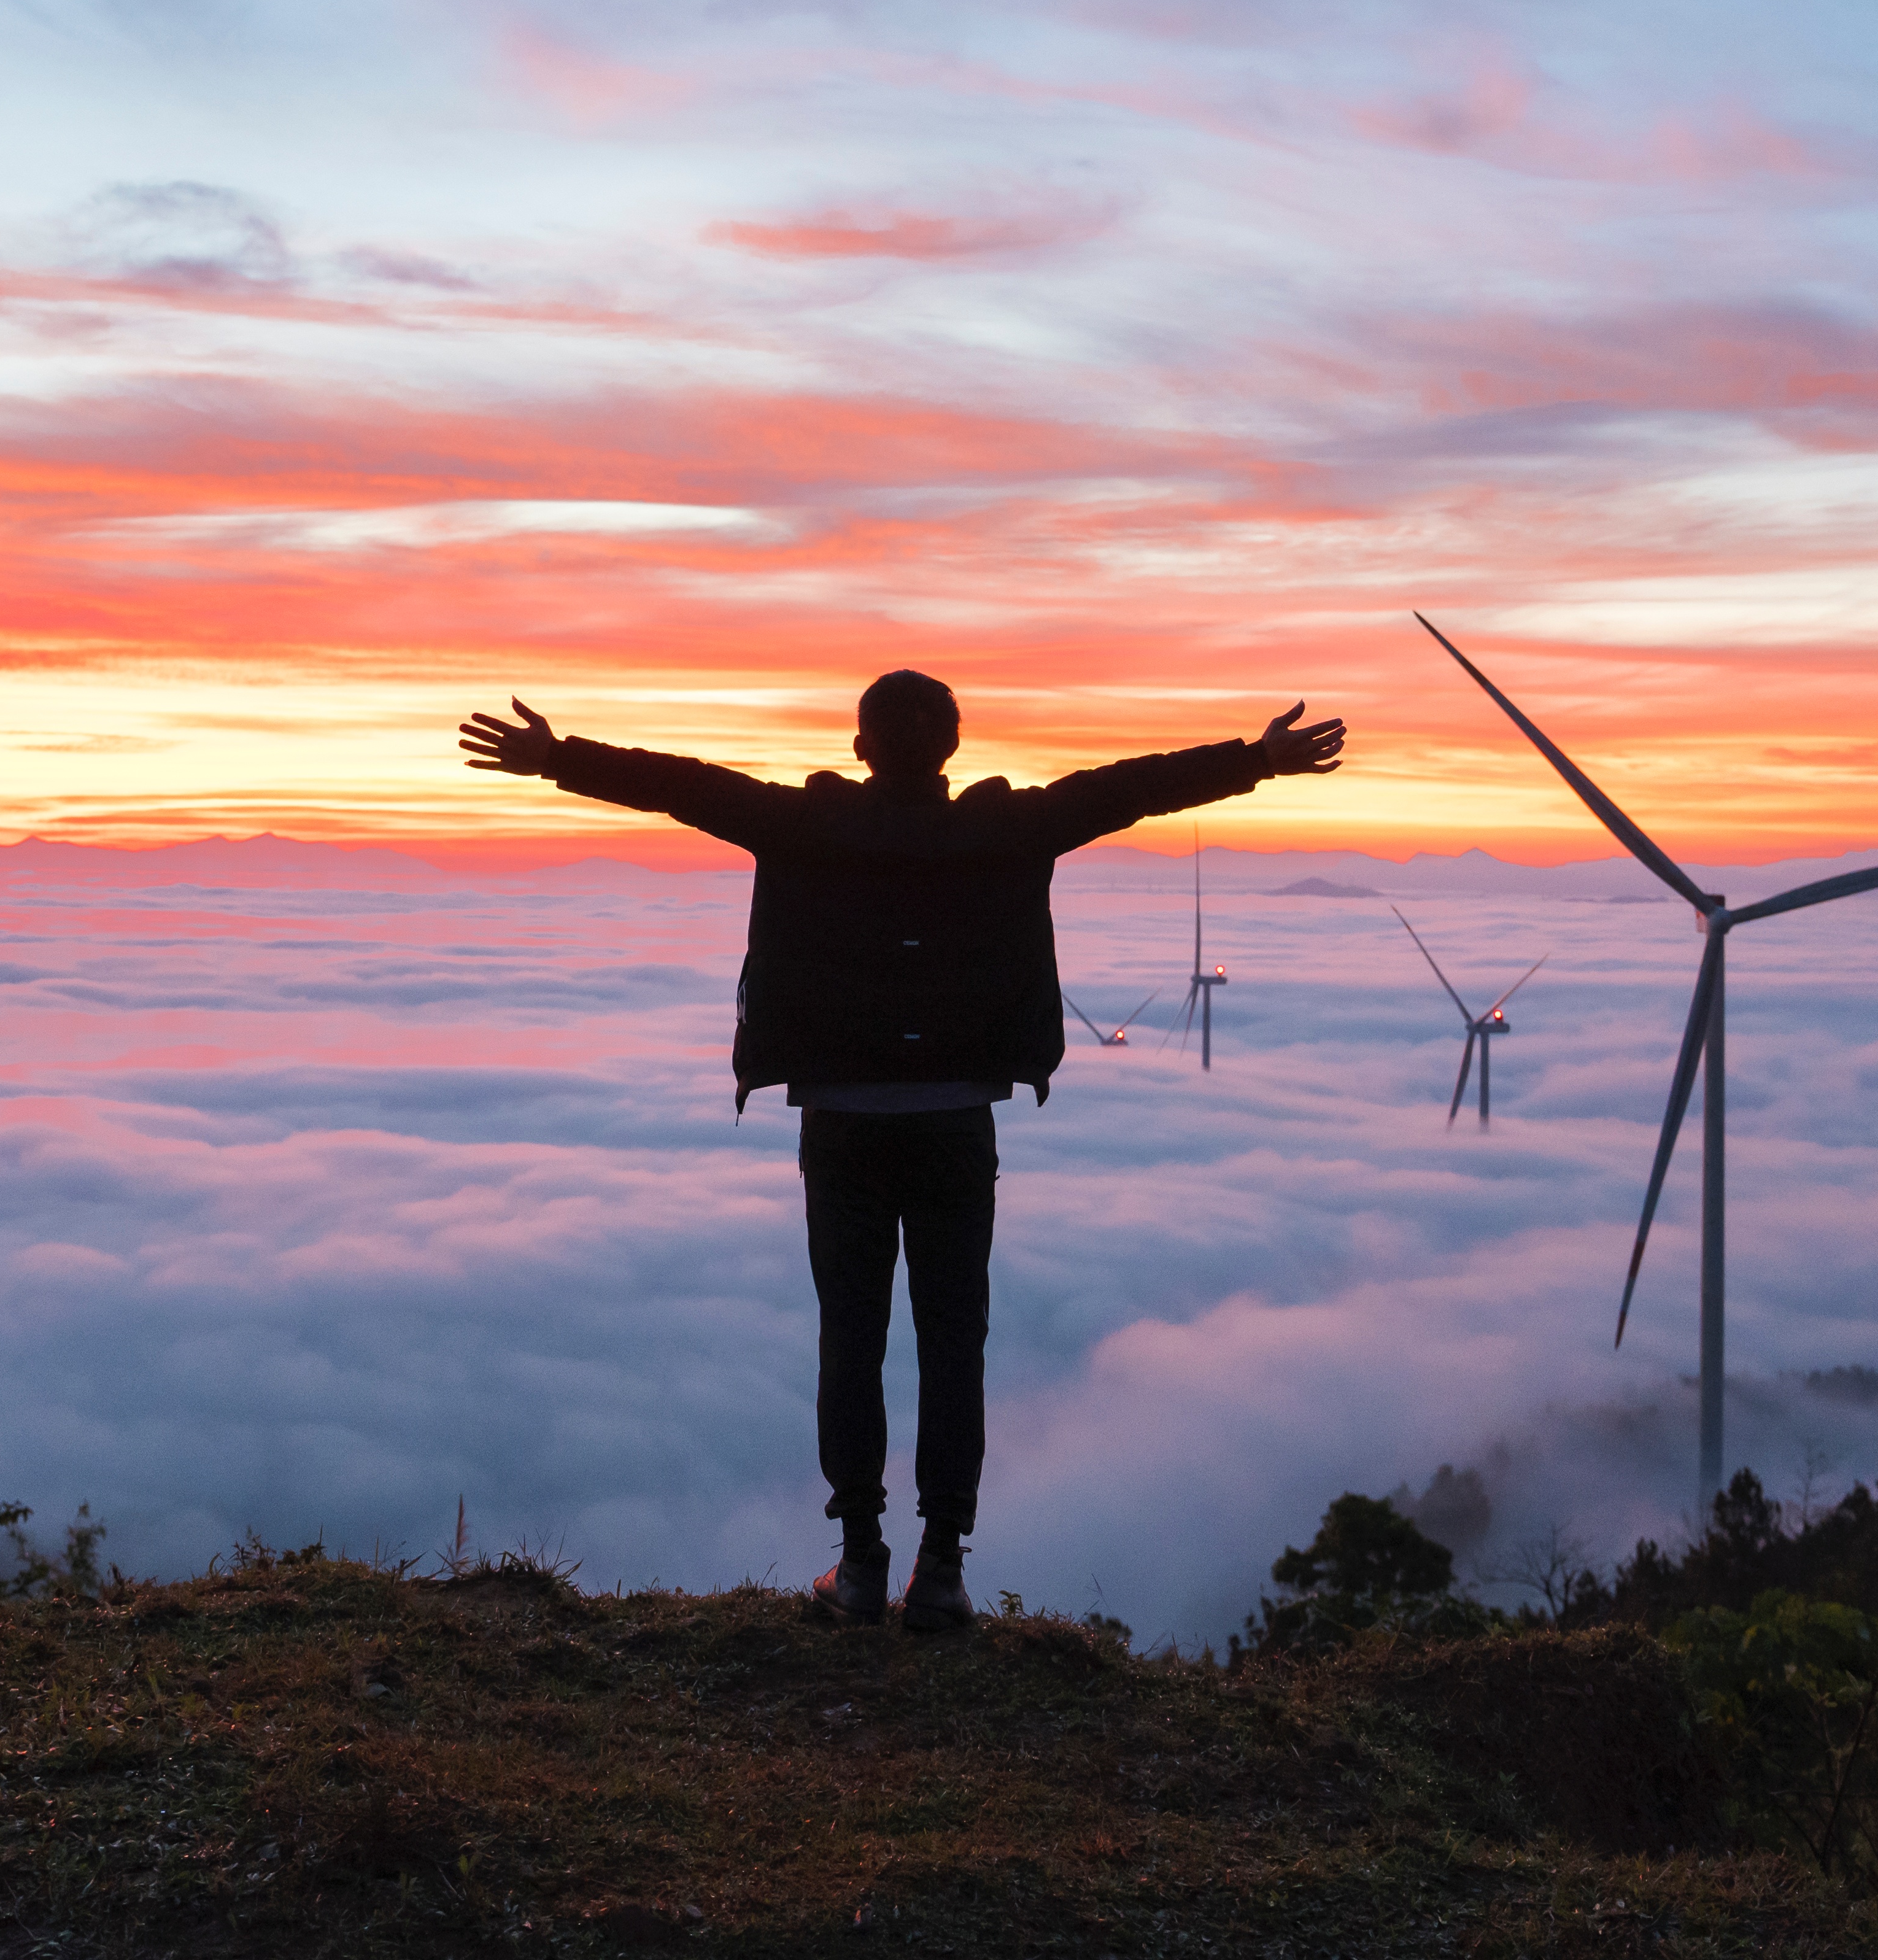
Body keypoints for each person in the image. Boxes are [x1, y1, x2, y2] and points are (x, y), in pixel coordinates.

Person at [456, 670, 1346, 1630]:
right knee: (952, 1340)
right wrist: (1255, 760)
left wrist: (555, 759)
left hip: (841, 1125)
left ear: (861, 749)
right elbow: (1127, 787)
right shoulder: (1009, 830)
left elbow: (683, 784)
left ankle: (862, 1559)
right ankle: (945, 1565)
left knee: (855, 1337)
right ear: (953, 753)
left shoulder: (803, 827)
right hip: (959, 1124)